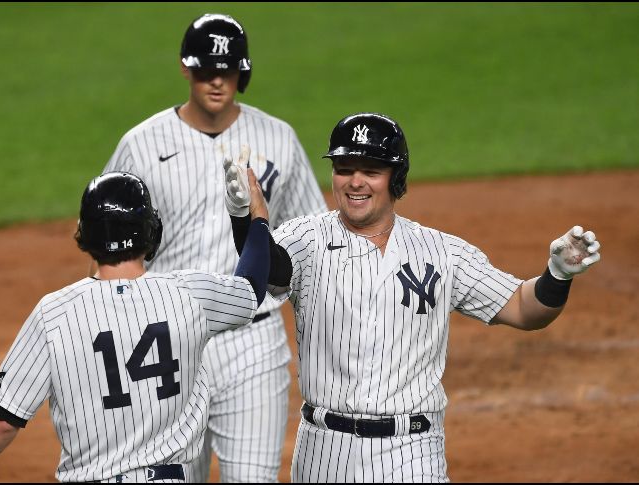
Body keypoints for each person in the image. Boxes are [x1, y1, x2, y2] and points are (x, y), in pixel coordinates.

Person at [223, 112, 602, 483]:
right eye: (344, 169)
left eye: (371, 171)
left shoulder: (442, 252)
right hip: (324, 452)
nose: (355, 182)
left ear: (396, 178)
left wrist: (557, 276)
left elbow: (522, 308)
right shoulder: (306, 238)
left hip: (411, 451)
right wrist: (245, 217)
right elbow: (267, 269)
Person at [0, 171, 273, 483]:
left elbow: (2, 423)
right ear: (150, 230)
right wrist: (255, 218)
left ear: (85, 235)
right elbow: (252, 287)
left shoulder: (54, 314)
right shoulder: (190, 294)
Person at [101, 13, 327, 482]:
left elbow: (311, 240)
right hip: (163, 342)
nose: (217, 81)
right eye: (205, 70)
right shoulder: (141, 144)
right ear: (185, 68)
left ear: (242, 73)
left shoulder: (278, 139)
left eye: (227, 70)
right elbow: (108, 244)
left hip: (252, 342)